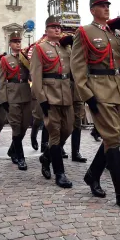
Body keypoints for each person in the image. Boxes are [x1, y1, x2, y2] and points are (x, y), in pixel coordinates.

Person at [71, 0, 120, 212]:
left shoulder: (115, 33)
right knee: (112, 138)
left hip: (119, 89)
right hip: (99, 90)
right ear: (93, 10)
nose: (106, 8)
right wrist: (87, 95)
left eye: (108, 4)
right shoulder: (84, 32)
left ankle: (92, 175)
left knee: (115, 136)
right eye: (102, 5)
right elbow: (78, 67)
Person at [31, 16, 74, 188]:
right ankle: (60, 173)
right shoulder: (40, 48)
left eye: (59, 27)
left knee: (68, 128)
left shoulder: (66, 49)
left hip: (66, 94)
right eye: (53, 27)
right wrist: (41, 99)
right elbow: (36, 75)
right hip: (50, 95)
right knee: (55, 133)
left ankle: (46, 156)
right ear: (47, 30)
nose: (57, 29)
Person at [0, 31, 32, 170]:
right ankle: (20, 157)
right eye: (15, 42)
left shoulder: (26, 58)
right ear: (10, 44)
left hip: (26, 92)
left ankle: (12, 150)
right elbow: (1, 80)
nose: (18, 44)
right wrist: (3, 99)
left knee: (24, 126)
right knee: (16, 126)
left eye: (19, 41)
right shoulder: (5, 59)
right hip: (12, 94)